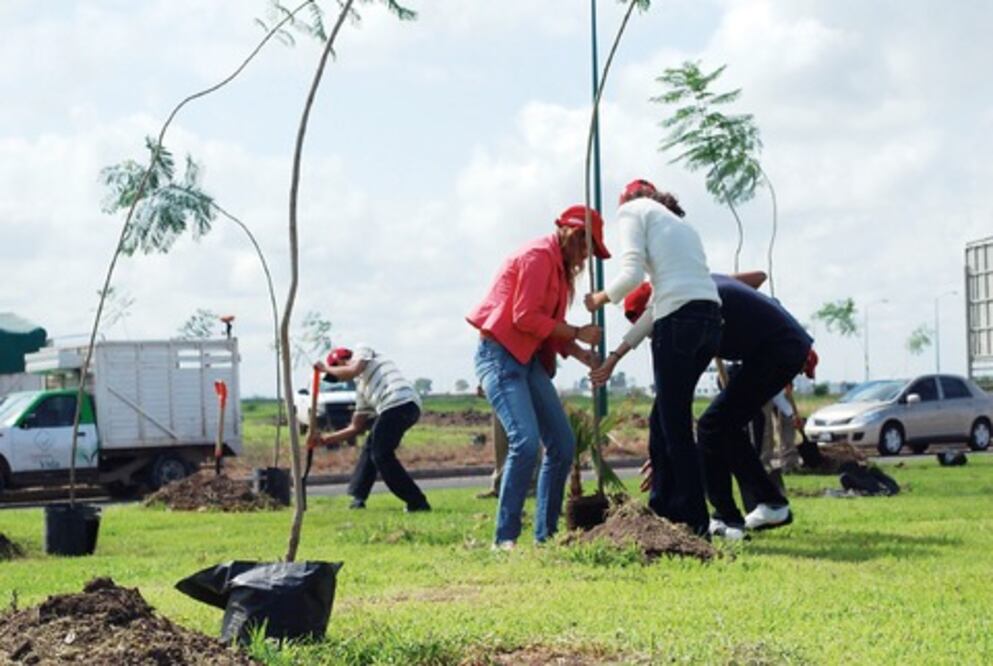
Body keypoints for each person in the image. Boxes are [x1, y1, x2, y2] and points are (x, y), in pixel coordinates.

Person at [585, 179, 721, 538]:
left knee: (674, 426)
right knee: (662, 418)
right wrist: (616, 356)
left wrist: (600, 298)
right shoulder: (680, 225)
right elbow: (657, 305)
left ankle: (693, 520)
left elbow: (630, 276)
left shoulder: (632, 211)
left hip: (679, 323)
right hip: (709, 322)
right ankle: (663, 506)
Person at [468, 204, 606, 549]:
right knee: (526, 443)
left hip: (527, 361)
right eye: (587, 247)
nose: (586, 257)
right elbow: (525, 317)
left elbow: (543, 331)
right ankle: (505, 539)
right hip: (500, 357)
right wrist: (577, 332)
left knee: (562, 444)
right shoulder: (538, 257)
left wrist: (578, 352)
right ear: (574, 236)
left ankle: (546, 536)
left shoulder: (558, 268)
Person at [311, 345, 430, 512]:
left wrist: (324, 369)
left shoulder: (363, 352)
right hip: (395, 408)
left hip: (400, 402)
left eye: (336, 375)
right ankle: (358, 497)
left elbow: (352, 369)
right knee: (371, 446)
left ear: (340, 361)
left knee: (380, 454)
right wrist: (324, 440)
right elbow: (355, 427)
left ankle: (417, 502)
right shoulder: (362, 389)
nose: (340, 380)